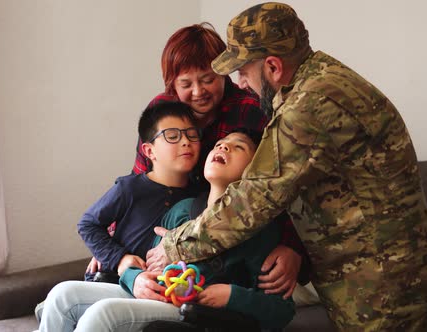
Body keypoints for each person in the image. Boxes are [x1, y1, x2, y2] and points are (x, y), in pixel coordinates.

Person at [146, 3, 427, 331]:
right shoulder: (325, 76)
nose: (243, 85)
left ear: (273, 66)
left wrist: (176, 245)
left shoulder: (307, 108)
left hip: (382, 288)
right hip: (391, 278)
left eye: (244, 73)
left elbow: (254, 198)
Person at [88, 22, 308, 297]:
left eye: (207, 80)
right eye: (185, 84)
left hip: (237, 227)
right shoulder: (162, 115)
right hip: (174, 230)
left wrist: (292, 247)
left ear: (224, 74)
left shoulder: (251, 109)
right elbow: (145, 183)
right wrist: (112, 251)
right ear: (171, 85)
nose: (198, 92)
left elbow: (285, 184)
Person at [40, 130, 295, 332]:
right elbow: (147, 264)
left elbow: (281, 312)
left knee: (103, 314)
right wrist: (135, 279)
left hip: (198, 312)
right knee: (63, 295)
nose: (223, 147)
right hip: (157, 293)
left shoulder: (261, 231)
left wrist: (231, 296)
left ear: (255, 170)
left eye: (238, 146)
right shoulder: (184, 209)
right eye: (219, 143)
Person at [78, 101, 201, 280]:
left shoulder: (199, 196)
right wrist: (118, 258)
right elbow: (88, 224)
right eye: (172, 136)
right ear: (149, 151)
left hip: (165, 289)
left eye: (192, 135)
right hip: (114, 281)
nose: (185, 142)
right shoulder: (130, 188)